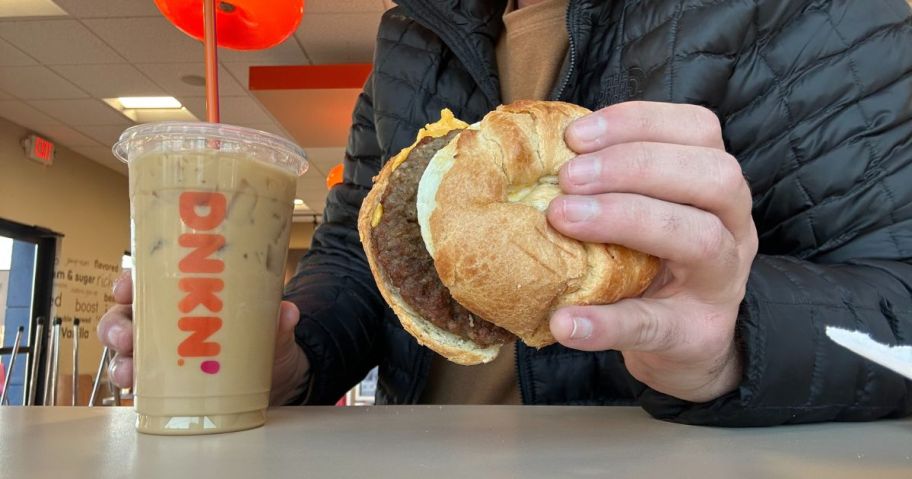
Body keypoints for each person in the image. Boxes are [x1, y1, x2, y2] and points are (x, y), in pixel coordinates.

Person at [99, 0, 912, 425]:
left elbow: (899, 311)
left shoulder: (814, 12)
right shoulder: (412, 29)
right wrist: (294, 351)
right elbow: (356, 252)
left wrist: (734, 345)